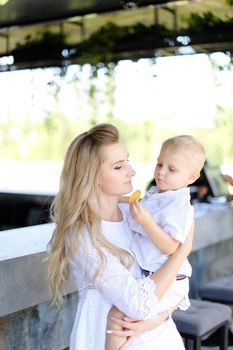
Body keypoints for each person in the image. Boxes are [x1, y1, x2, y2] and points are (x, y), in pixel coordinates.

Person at [47, 124, 194, 350]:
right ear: (91, 175)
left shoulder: (134, 216)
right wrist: (183, 249)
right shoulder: (83, 235)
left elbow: (175, 282)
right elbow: (139, 303)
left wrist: (158, 318)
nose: (132, 171)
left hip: (162, 339)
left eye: (127, 160)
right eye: (118, 166)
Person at [106, 134, 205, 350]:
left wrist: (146, 222)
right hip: (154, 277)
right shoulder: (160, 193)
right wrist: (110, 198)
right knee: (123, 319)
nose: (161, 171)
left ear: (192, 177)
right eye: (160, 163)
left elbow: (172, 248)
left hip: (171, 281)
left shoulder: (179, 205)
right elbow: (139, 203)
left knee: (118, 316)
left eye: (172, 169)